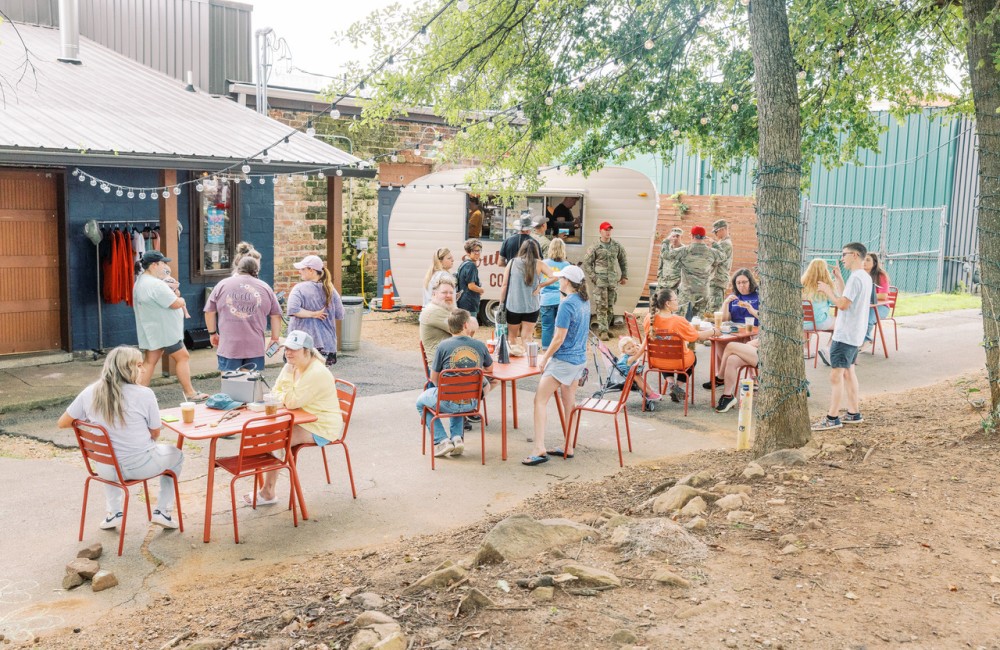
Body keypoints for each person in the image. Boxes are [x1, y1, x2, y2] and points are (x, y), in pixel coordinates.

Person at [57, 346, 183, 530]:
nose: (144, 369)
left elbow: (63, 422)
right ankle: (163, 512)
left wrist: (90, 426)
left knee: (112, 452)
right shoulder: (144, 394)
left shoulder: (89, 392)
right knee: (177, 455)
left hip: (105, 469)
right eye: (139, 365)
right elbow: (155, 432)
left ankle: (114, 513)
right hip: (140, 466)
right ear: (127, 368)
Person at [251, 330, 343, 505]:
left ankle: (267, 492)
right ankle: (267, 489)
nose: (288, 353)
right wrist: (285, 389)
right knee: (269, 434)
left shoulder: (315, 372)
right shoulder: (294, 366)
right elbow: (275, 392)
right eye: (286, 349)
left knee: (275, 439)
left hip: (323, 425)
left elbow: (291, 402)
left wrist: (284, 390)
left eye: (294, 349)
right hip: (305, 417)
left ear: (307, 351)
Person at [524, 265, 590, 466]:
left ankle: (539, 448)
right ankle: (568, 445)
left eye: (561, 278)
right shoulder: (584, 301)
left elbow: (558, 338)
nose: (559, 280)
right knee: (569, 402)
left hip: (563, 360)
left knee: (540, 400)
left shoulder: (567, 304)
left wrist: (544, 359)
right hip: (579, 359)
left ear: (567, 281)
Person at [415, 309, 495, 458]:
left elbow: (434, 377)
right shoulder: (479, 345)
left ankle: (442, 440)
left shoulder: (443, 346)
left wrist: (444, 389)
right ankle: (457, 438)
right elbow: (490, 369)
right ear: (465, 325)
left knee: (420, 402)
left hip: (447, 401)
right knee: (460, 394)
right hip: (471, 403)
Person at [813, 242, 874, 430]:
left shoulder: (857, 278)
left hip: (845, 334)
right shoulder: (863, 277)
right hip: (855, 333)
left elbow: (842, 304)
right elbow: (848, 297)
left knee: (836, 375)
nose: (842, 258)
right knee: (849, 372)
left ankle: (832, 417)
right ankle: (853, 412)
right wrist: (839, 278)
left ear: (855, 255)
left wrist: (827, 290)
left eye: (844, 254)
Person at [133, 251, 208, 401]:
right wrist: (182, 300)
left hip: (153, 329)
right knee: (183, 357)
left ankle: (137, 396)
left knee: (150, 361)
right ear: (155, 265)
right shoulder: (156, 285)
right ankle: (190, 392)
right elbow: (175, 303)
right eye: (163, 263)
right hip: (165, 330)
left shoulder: (141, 280)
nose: (166, 266)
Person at [204, 255, 282, 372]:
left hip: (229, 345)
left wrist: (212, 333)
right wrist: (274, 338)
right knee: (250, 383)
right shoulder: (265, 287)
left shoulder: (222, 285)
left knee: (229, 381)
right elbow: (276, 315)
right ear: (256, 270)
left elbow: (209, 311)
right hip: (254, 346)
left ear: (238, 268)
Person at [644, 289, 719, 403]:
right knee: (692, 358)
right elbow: (697, 337)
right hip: (678, 361)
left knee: (664, 352)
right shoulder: (678, 321)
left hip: (656, 360)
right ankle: (678, 386)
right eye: (675, 299)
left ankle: (671, 383)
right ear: (668, 304)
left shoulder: (649, 318)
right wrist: (713, 331)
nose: (678, 301)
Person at [287, 255, 345, 367]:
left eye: (302, 269)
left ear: (311, 270)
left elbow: (293, 309)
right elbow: (340, 314)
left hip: (301, 343)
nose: (299, 271)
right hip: (326, 344)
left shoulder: (299, 288)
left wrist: (312, 314)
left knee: (300, 379)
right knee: (319, 379)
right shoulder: (330, 289)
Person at [500, 240, 555, 349]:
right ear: (536, 251)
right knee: (527, 337)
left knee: (512, 337)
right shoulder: (539, 264)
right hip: (532, 307)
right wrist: (541, 286)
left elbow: (505, 285)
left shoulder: (512, 262)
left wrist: (501, 302)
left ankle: (514, 362)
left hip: (513, 306)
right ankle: (528, 363)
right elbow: (554, 276)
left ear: (522, 249)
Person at [582, 221, 628, 341]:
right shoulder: (595, 246)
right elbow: (587, 263)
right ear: (600, 231)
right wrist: (594, 277)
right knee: (601, 306)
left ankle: (606, 328)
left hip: (612, 282)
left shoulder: (616, 246)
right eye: (605, 230)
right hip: (600, 282)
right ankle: (603, 331)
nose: (608, 232)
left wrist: (624, 276)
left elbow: (623, 260)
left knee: (610, 306)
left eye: (609, 230)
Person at [667, 225, 724, 319]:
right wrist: (714, 243)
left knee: (679, 319)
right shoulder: (712, 252)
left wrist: (667, 240)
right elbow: (723, 256)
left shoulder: (684, 251)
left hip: (686, 292)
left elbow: (665, 255)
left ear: (692, 236)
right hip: (703, 292)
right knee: (699, 321)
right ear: (704, 237)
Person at [712, 338, 760, 413]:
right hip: (760, 349)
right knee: (732, 359)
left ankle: (720, 378)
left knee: (730, 346)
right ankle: (727, 396)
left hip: (769, 356)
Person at [540, 238, 571, 349]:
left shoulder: (543, 263)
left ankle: (545, 349)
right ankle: (559, 349)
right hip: (561, 300)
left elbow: (540, 281)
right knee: (561, 327)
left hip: (546, 300)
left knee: (546, 327)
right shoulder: (566, 265)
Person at [616, 336, 662, 409]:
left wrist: (637, 346)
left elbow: (638, 348)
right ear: (624, 351)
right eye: (629, 348)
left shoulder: (630, 353)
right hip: (624, 375)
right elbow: (639, 353)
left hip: (630, 372)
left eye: (633, 346)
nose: (632, 349)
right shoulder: (629, 358)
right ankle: (649, 393)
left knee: (640, 377)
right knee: (637, 378)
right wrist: (644, 342)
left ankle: (650, 392)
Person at [419, 276, 456, 357]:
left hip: (449, 357)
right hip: (442, 364)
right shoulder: (435, 311)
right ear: (434, 294)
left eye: (451, 293)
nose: (448, 295)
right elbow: (462, 331)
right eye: (444, 292)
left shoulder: (444, 308)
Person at [863, 252, 892, 348]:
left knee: (867, 318)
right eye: (863, 259)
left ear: (874, 263)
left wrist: (865, 295)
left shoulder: (881, 275)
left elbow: (883, 296)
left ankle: (866, 340)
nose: (864, 262)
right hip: (866, 306)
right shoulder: (860, 275)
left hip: (882, 307)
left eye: (868, 260)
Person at [801, 259, 835, 332]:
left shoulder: (802, 284)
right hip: (821, 323)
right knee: (840, 324)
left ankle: (805, 343)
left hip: (803, 323)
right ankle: (829, 344)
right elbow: (835, 302)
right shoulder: (827, 286)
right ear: (825, 270)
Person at [455, 239, 485, 319]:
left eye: (479, 250)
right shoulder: (471, 266)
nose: (478, 253)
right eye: (475, 251)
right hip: (469, 303)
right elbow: (471, 286)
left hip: (461, 301)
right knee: (470, 328)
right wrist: (481, 290)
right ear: (468, 252)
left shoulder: (464, 264)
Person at [710, 220, 734, 311]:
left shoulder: (725, 244)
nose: (715, 234)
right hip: (717, 279)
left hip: (718, 280)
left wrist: (713, 244)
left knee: (714, 309)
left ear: (723, 229)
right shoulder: (721, 242)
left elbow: (715, 259)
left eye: (716, 231)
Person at [656, 227, 684, 293]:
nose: (675, 238)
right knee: (657, 301)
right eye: (673, 236)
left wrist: (680, 283)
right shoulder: (665, 250)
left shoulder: (683, 250)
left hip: (675, 285)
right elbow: (660, 266)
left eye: (677, 236)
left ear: (681, 237)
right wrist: (660, 280)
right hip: (663, 284)